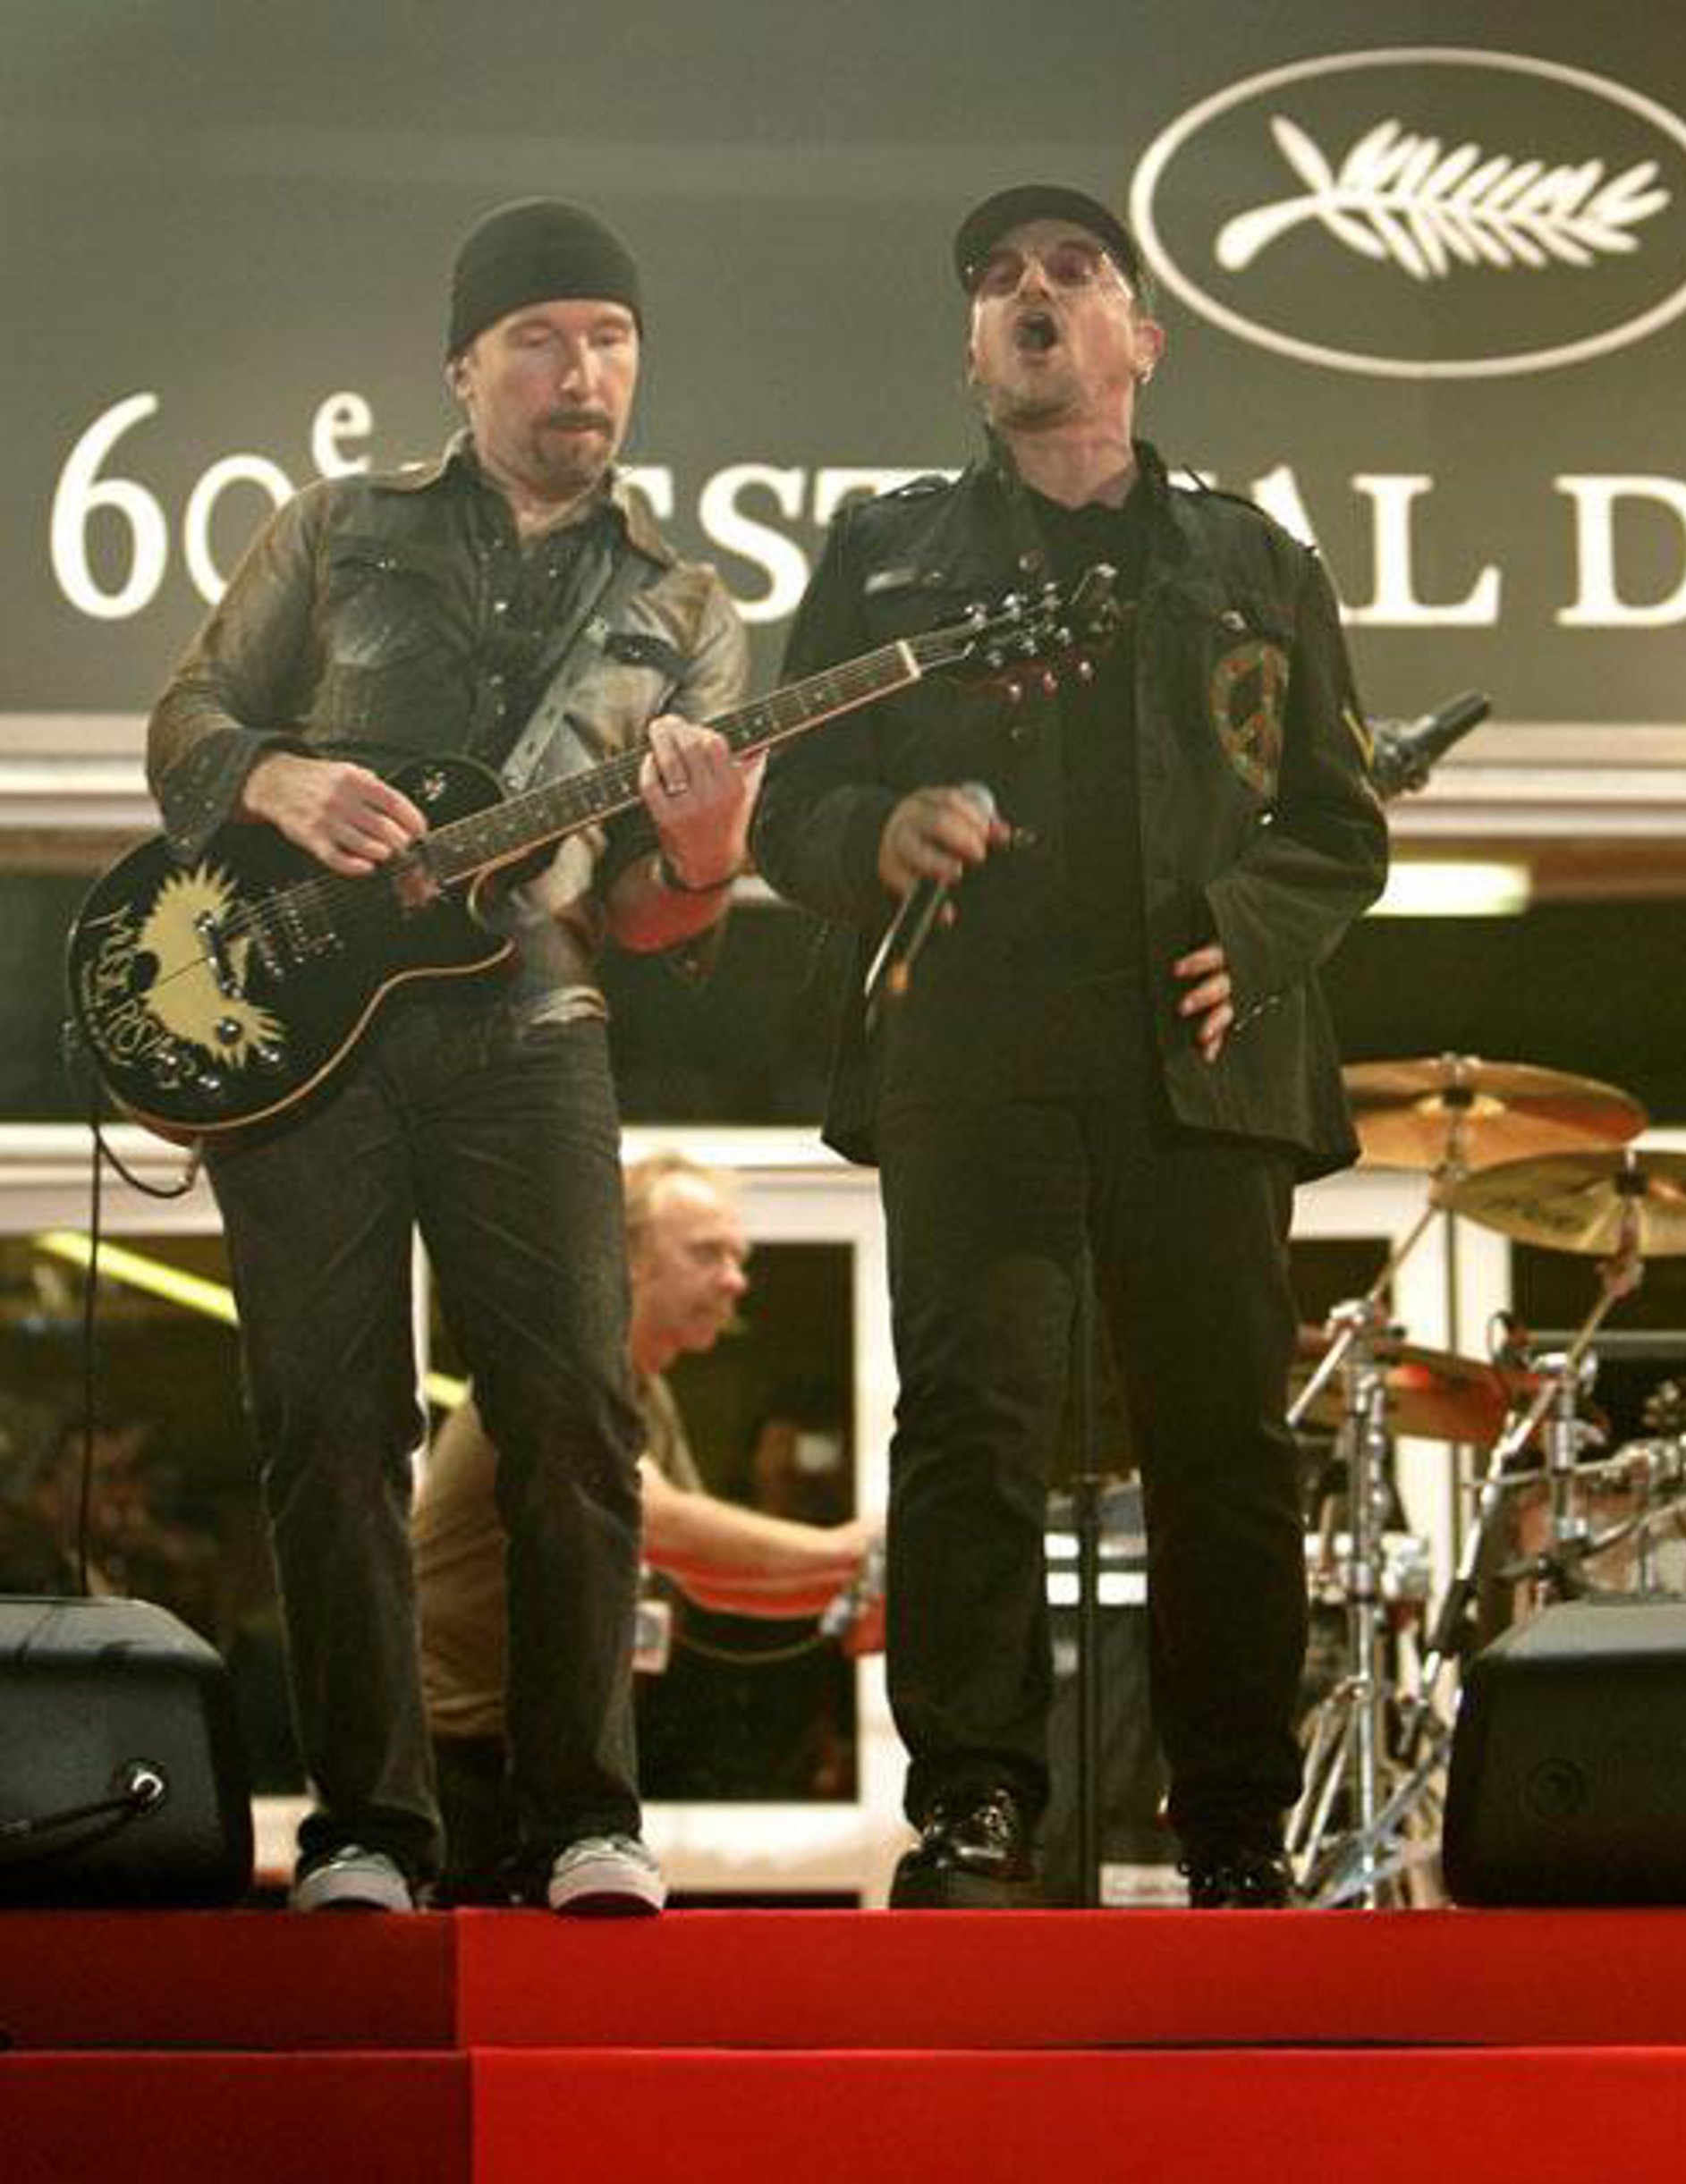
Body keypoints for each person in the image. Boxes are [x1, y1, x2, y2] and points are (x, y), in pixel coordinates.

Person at [750, 182, 1387, 1909]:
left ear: (1141, 338)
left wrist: (1252, 931)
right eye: (1000, 279)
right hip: (974, 1045)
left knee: (1225, 1445)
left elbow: (1342, 823)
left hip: (1206, 1050)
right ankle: (972, 1800)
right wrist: (875, 829)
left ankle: (1237, 1822)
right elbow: (787, 807)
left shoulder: (1259, 559)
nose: (1034, 290)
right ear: (975, 353)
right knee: (971, 1423)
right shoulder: (883, 553)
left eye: (1075, 269)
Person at [145, 198, 755, 1914]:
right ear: (464, 367)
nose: (583, 371)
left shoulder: (684, 605)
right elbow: (185, 725)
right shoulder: (336, 525)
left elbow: (651, 917)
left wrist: (709, 854)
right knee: (328, 1424)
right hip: (307, 1037)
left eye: (611, 339)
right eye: (542, 338)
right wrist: (275, 778)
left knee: (576, 1415)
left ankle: (584, 1820)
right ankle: (368, 1828)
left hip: (534, 1020)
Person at [413, 1151, 882, 1901]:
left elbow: (707, 1574)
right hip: (462, 1762)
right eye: (708, 1253)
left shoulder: (641, 1392)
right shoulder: (560, 1368)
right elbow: (661, 1522)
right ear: (624, 1260)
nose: (735, 1279)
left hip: (520, 1753)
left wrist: (853, 1585)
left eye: (738, 1257)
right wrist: (855, 1550)